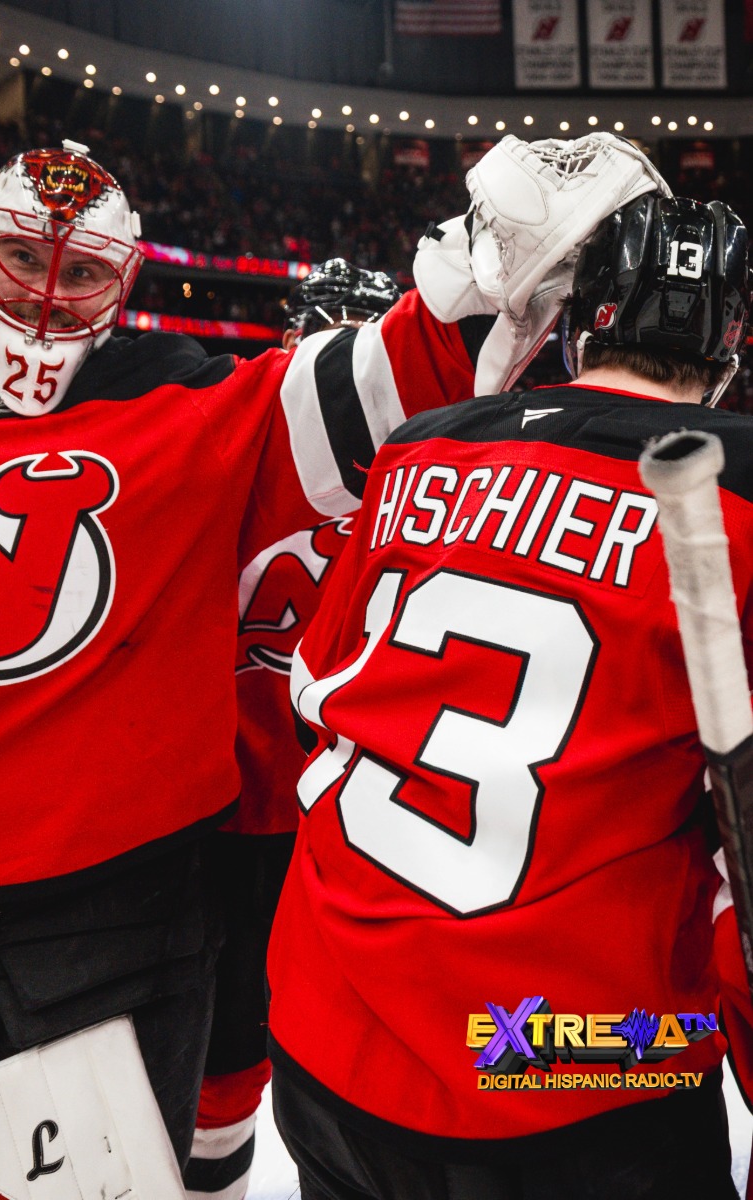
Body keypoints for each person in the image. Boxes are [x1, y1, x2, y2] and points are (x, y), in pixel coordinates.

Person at [0, 136, 539, 1178]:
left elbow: (402, 369)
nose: (47, 296)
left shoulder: (199, 409)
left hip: (100, 931)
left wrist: (488, 261)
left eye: (80, 270)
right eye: (26, 259)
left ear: (121, 285)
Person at [266, 192, 753, 1199]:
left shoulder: (419, 447)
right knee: (671, 1050)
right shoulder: (735, 493)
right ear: (733, 344)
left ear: (579, 323)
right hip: (558, 1059)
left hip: (328, 1011)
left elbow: (316, 685)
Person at [187, 259, 411, 1200]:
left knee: (254, 1052)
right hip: (235, 802)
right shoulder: (220, 440)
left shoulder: (424, 484)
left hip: (310, 815)